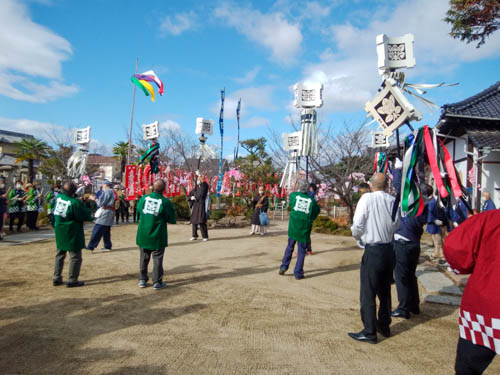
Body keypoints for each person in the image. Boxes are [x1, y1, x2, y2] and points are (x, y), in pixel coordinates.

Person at [443, 209, 499, 374]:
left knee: (467, 368)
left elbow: (456, 247)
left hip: (485, 308)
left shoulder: (490, 218)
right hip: (486, 305)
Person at [348, 172, 399, 344]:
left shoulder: (367, 199)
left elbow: (358, 224)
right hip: (388, 249)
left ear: (371, 184)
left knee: (368, 292)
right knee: (384, 291)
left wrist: (358, 237)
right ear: (386, 185)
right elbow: (396, 224)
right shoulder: (393, 201)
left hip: (374, 249)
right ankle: (384, 325)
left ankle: (370, 331)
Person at [391, 167, 429, 319]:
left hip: (403, 241)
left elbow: (398, 186)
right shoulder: (422, 203)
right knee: (411, 275)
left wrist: (398, 170)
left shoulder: (408, 199)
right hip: (415, 242)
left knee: (401, 276)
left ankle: (403, 307)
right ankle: (414, 305)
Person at [136, 180, 176, 290]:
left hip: (144, 232)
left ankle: (142, 279)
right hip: (158, 233)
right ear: (164, 189)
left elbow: (139, 210)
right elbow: (171, 218)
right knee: (157, 258)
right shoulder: (165, 202)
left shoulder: (144, 198)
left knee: (143, 257)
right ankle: (157, 282)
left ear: (152, 187)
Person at [52, 181, 94, 288]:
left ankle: (56, 277)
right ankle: (72, 279)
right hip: (72, 231)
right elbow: (85, 215)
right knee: (75, 256)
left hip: (60, 230)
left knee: (60, 254)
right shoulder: (75, 203)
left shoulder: (59, 199)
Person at [278, 180, 320, 280]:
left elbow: (290, 205)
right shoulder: (312, 201)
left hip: (293, 227)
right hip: (304, 229)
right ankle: (298, 272)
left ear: (300, 187)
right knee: (301, 251)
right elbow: (316, 212)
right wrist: (310, 218)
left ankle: (284, 266)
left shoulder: (294, 195)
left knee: (289, 247)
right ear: (308, 189)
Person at [86, 180, 115, 251]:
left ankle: (91, 246)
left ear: (106, 185)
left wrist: (94, 199)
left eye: (103, 184)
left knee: (98, 228)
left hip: (106, 211)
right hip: (109, 211)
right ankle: (107, 245)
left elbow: (101, 203)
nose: (102, 186)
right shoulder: (112, 192)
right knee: (106, 230)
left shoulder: (107, 191)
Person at [189, 175, 209, 241]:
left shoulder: (204, 186)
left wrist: (199, 175)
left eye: (198, 179)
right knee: (194, 221)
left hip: (201, 204)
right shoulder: (196, 187)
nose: (197, 180)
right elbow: (191, 194)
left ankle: (205, 236)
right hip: (195, 204)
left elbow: (201, 193)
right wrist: (191, 198)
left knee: (201, 220)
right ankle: (194, 235)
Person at [305, 183, 318, 255]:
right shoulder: (312, 195)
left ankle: (305, 249)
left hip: (307, 217)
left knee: (304, 234)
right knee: (307, 234)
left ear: (311, 188)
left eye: (309, 187)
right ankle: (309, 249)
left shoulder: (311, 195)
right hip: (310, 218)